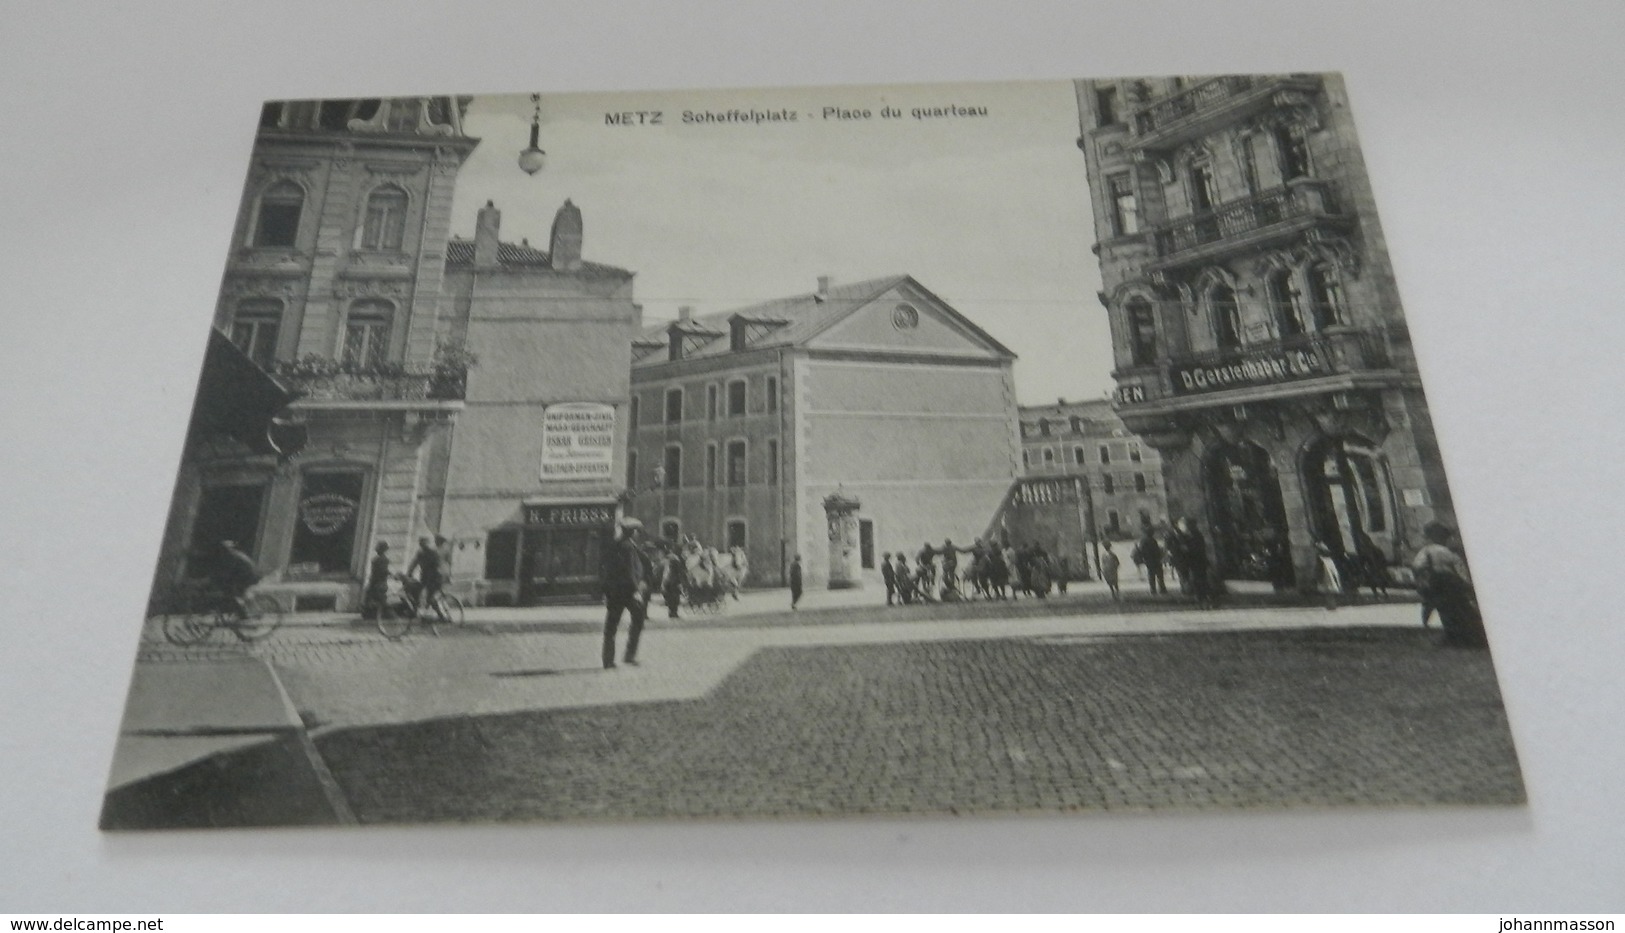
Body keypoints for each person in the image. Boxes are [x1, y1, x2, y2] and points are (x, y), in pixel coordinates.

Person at [1411, 521, 1487, 648]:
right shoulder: (1450, 553)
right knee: (1457, 610)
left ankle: (1441, 632)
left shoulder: (1426, 551)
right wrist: (1468, 585)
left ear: (1430, 537)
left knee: (1441, 610)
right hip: (1452, 583)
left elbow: (1417, 566)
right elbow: (1461, 571)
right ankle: (1464, 637)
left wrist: (1422, 581)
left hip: (1435, 583)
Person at [601, 518, 653, 668]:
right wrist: (636, 591)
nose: (638, 534)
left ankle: (608, 660)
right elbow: (630, 571)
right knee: (638, 619)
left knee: (610, 627)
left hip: (614, 592)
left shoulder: (614, 546)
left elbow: (606, 570)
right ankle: (629, 654)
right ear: (633, 532)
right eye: (637, 531)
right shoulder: (628, 547)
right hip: (628, 592)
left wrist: (606, 591)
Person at [211, 539, 260, 620]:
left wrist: (221, 579)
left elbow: (229, 571)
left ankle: (243, 615)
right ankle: (245, 609)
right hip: (248, 575)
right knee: (239, 593)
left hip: (248, 576)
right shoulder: (235, 554)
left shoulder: (232, 556)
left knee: (232, 594)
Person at [407, 536, 445, 620]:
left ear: (427, 544)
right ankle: (416, 611)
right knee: (415, 591)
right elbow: (414, 563)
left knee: (431, 599)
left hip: (435, 578)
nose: (423, 546)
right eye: (421, 544)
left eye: (424, 544)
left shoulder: (433, 553)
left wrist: (434, 576)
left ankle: (441, 616)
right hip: (425, 577)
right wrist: (409, 573)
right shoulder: (420, 553)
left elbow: (438, 566)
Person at [1178, 518, 1212, 608]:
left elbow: (1197, 549)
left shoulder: (1195, 535)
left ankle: (1203, 600)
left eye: (1182, 525)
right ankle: (1202, 599)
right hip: (1195, 562)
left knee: (1199, 581)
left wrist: (1186, 549)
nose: (1181, 527)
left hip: (1197, 562)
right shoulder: (1189, 535)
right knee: (1198, 581)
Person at [363, 541, 391, 619]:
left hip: (378, 582)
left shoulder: (382, 559)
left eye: (378, 547)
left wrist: (388, 574)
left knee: (379, 599)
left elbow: (382, 571)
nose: (376, 549)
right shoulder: (378, 559)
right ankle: (370, 614)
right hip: (377, 582)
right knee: (376, 598)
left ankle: (387, 615)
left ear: (382, 549)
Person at [1314, 539, 1343, 611]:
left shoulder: (1320, 559)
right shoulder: (1329, 560)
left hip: (1326, 578)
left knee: (1328, 593)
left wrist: (1318, 578)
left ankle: (1330, 605)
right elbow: (1334, 571)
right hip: (1330, 577)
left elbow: (1319, 569)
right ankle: (1332, 605)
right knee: (1330, 593)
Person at [1136, 526, 1165, 595]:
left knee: (1152, 575)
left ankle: (1154, 589)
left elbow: (1141, 550)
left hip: (1149, 560)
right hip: (1154, 559)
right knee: (1159, 574)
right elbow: (1156, 550)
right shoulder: (1152, 540)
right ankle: (1161, 589)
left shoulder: (1144, 540)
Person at [661, 546, 686, 620]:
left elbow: (664, 571)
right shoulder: (676, 559)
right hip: (674, 581)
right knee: (675, 598)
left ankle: (671, 612)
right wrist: (680, 581)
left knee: (669, 597)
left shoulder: (666, 560)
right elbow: (679, 572)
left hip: (667, 580)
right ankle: (674, 612)